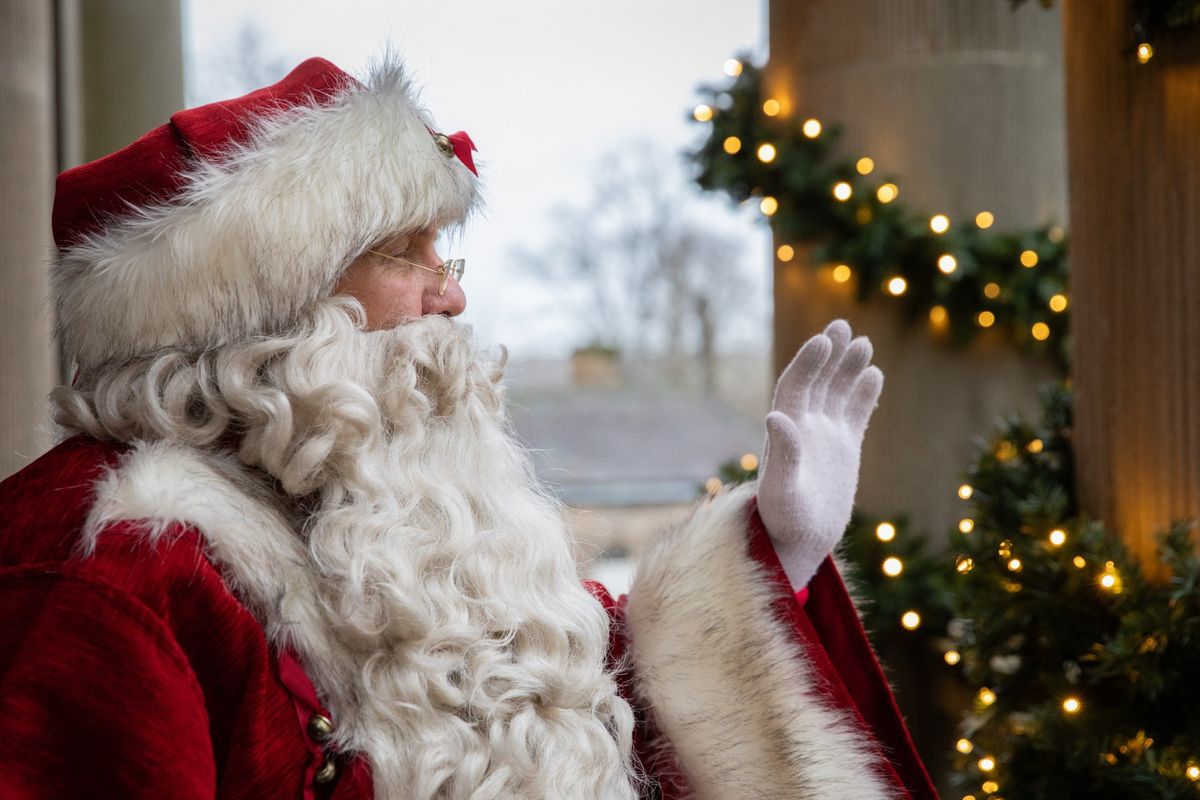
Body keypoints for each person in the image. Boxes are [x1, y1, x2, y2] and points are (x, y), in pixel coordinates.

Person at [0, 56, 936, 799]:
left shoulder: (365, 506)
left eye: (445, 252)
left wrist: (774, 553)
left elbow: (554, 704)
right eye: (405, 253)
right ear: (263, 305)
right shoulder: (110, 561)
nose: (453, 293)